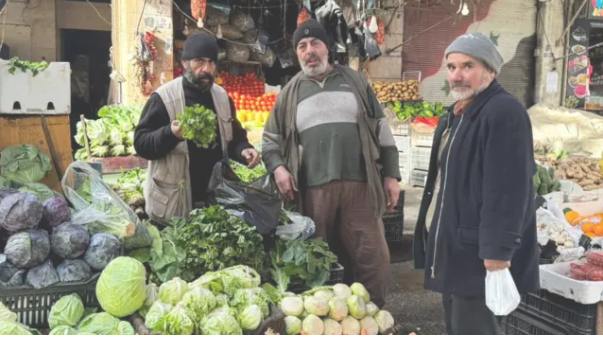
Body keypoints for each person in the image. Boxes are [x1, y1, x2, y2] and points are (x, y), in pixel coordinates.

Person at [261, 19, 401, 307]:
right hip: (312, 190)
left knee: (373, 256)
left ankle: (373, 314)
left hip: (361, 185)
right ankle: (325, 320)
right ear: (297, 53)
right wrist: (279, 168)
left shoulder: (356, 82)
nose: (309, 51)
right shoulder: (289, 93)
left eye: (315, 43)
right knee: (316, 260)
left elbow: (381, 130)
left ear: (327, 48)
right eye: (302, 46)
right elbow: (270, 141)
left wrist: (391, 175)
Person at [412, 33, 539, 334]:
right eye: (451, 66)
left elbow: (507, 192)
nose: (457, 75)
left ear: (491, 71)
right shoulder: (459, 114)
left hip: (480, 260)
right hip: (457, 251)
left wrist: (497, 254)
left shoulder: (503, 112)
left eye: (468, 66)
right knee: (457, 327)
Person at [134, 34, 260, 227]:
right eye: (199, 61)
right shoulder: (163, 98)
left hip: (216, 202)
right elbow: (141, 144)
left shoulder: (222, 98)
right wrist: (170, 134)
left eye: (211, 62)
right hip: (175, 204)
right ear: (185, 63)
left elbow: (235, 138)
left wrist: (244, 150)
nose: (206, 69)